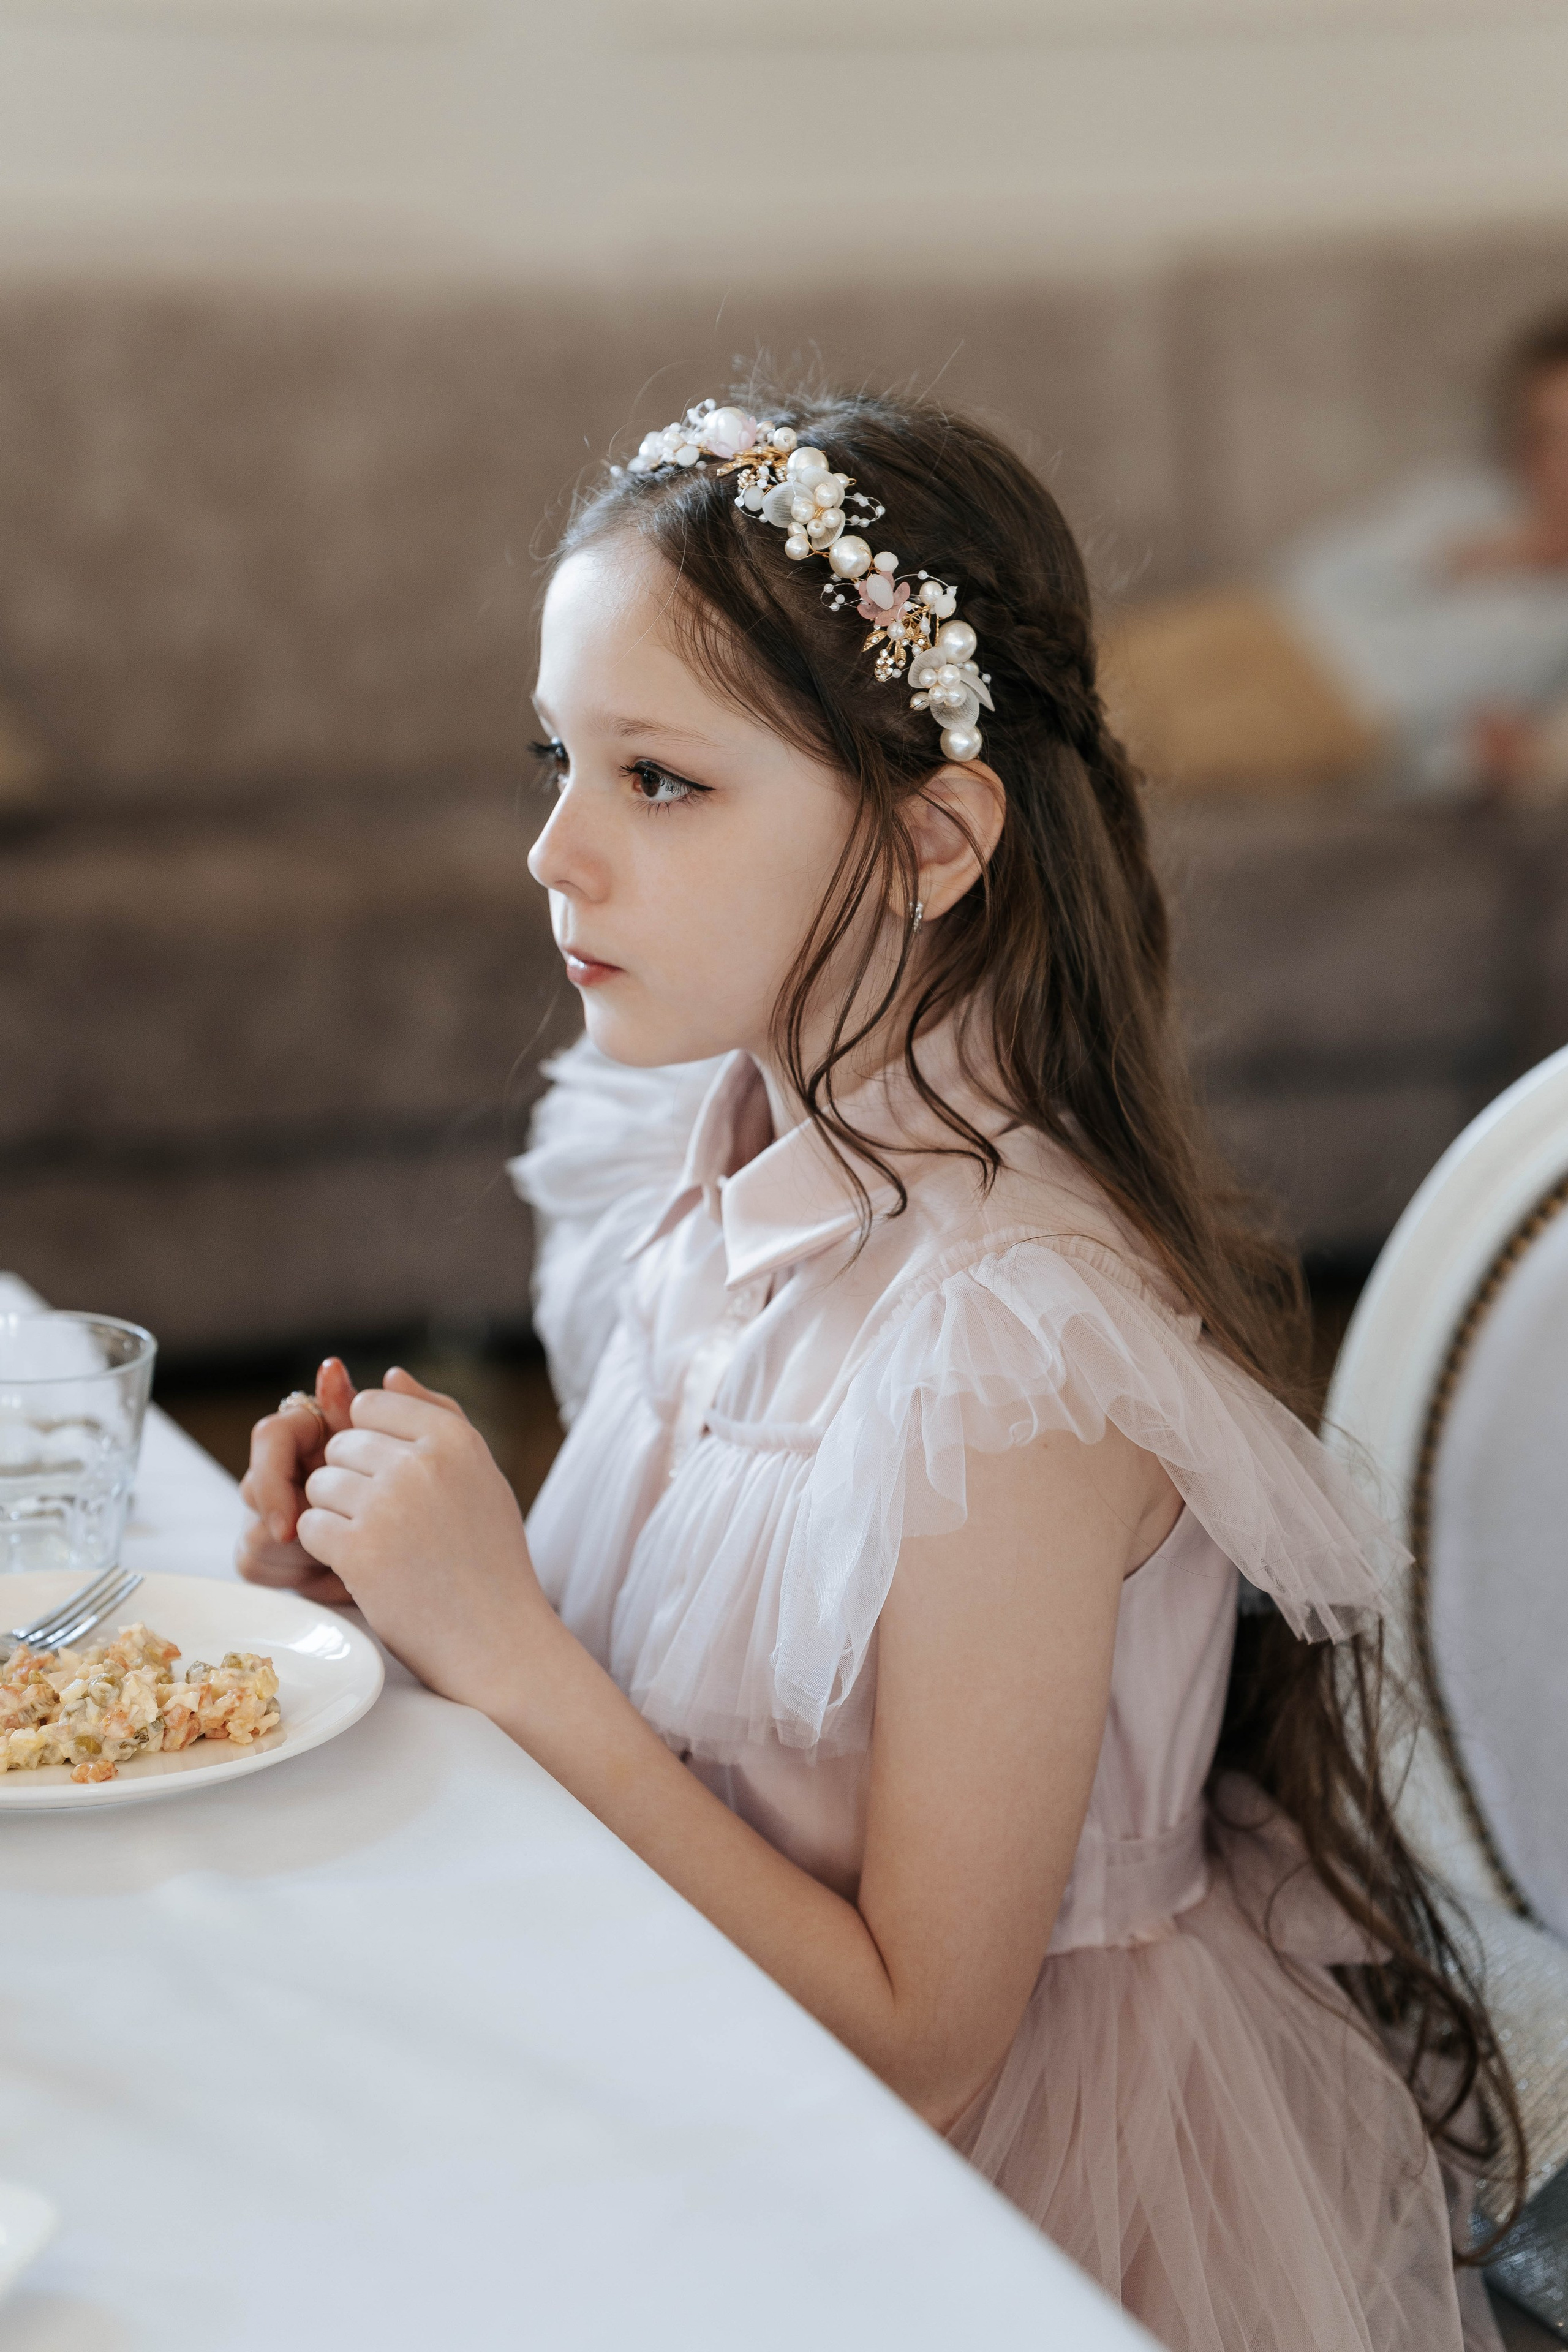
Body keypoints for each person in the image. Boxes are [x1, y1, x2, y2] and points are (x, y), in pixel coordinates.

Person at [237, 386, 1521, 2351]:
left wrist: (505, 1645)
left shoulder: (1009, 1364)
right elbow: (688, 1689)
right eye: (556, 757)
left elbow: (923, 2049)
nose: (552, 851)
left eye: (658, 778)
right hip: (679, 2023)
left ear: (932, 834)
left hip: (961, 2188)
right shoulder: (685, 1143)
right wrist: (395, 1601)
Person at [1099, 305, 1568, 800]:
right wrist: (1456, 556)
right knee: (1098, 655)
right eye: (1547, 436)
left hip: (1339, 710)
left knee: (1133, 745)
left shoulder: (1555, 627)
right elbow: (1312, 569)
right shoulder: (1464, 499)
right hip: (1266, 621)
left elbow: (1448, 747)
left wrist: (1475, 763)